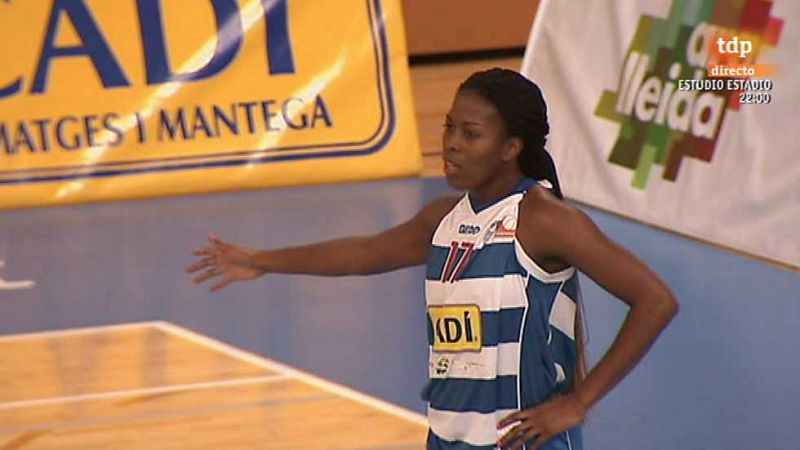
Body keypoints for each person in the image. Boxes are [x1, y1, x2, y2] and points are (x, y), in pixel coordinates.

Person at [187, 68, 678, 450]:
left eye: (471, 134)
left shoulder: (543, 219)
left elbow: (655, 300)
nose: (451, 144)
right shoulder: (442, 219)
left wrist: (577, 403)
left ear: (511, 148)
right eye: (449, 128)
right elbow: (364, 253)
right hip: (447, 437)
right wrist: (262, 261)